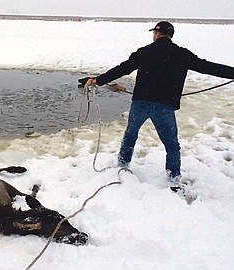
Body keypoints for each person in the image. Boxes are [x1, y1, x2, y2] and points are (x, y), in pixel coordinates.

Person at [82, 21, 234, 192]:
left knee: (130, 135)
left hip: (140, 103)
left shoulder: (144, 52)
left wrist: (98, 80)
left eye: (154, 33)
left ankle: (122, 165)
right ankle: (174, 181)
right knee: (171, 145)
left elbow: (121, 69)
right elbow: (208, 67)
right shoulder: (182, 54)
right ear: (171, 35)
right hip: (164, 106)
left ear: (156, 33)